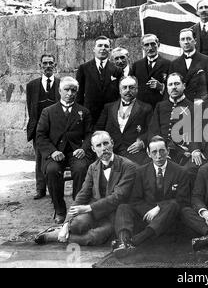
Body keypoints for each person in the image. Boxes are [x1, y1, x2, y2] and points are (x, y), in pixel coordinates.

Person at [34, 131, 136, 245]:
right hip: (94, 212)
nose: (103, 148)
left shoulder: (128, 166)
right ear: (93, 149)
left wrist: (87, 208)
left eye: (106, 143)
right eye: (98, 145)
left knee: (95, 237)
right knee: (76, 225)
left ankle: (52, 236)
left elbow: (118, 197)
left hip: (114, 213)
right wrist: (66, 224)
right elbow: (82, 195)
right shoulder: (93, 167)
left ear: (112, 143)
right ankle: (62, 229)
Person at [112, 135, 190, 256]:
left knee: (174, 204)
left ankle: (136, 240)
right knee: (123, 207)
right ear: (148, 153)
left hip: (169, 218)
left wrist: (159, 208)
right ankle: (123, 242)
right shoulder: (140, 172)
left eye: (162, 151)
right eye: (154, 152)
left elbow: (183, 200)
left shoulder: (181, 171)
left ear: (168, 151)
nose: (158, 156)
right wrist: (149, 212)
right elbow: (135, 200)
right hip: (147, 215)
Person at [36, 77, 92, 224]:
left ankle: (76, 207)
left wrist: (83, 148)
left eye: (73, 90)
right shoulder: (48, 111)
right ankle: (60, 210)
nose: (70, 93)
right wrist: (52, 152)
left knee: (81, 169)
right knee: (52, 170)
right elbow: (40, 135)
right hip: (55, 152)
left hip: (75, 152)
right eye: (66, 89)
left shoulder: (83, 111)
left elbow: (89, 134)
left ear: (77, 92)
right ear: (60, 91)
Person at [96, 76, 153, 165]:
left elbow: (152, 130)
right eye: (124, 87)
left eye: (131, 87)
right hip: (111, 151)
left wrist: (142, 142)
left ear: (137, 90)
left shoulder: (146, 108)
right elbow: (98, 129)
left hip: (133, 151)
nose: (128, 90)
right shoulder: (109, 107)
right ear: (120, 90)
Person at [26, 54, 60, 200]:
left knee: (56, 159)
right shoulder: (32, 86)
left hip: (57, 129)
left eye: (50, 63)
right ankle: (40, 189)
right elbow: (31, 108)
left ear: (55, 65)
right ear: (40, 66)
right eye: (45, 63)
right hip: (39, 130)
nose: (48, 66)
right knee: (39, 159)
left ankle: (56, 189)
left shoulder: (61, 84)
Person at [148, 72, 194, 165]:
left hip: (182, 155)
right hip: (160, 152)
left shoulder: (192, 107)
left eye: (177, 84)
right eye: (170, 84)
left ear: (184, 86)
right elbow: (153, 130)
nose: (174, 87)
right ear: (167, 88)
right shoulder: (160, 106)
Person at [76, 35, 123, 124]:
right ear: (94, 49)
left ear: (110, 49)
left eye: (106, 46)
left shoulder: (117, 70)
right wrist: (80, 113)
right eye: (100, 45)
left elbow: (119, 94)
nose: (103, 48)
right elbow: (79, 94)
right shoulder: (83, 68)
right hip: (89, 114)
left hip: (111, 115)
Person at [169, 28, 208, 101]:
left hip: (200, 106)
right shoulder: (174, 64)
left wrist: (204, 101)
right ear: (179, 43)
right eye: (183, 39)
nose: (186, 42)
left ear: (195, 41)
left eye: (188, 39)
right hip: (181, 105)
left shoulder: (207, 61)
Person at [130, 34, 170, 109]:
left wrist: (161, 87)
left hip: (160, 107)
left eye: (153, 44)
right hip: (141, 109)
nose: (150, 48)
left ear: (158, 44)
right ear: (142, 47)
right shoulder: (136, 65)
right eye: (146, 45)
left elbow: (174, 88)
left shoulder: (168, 64)